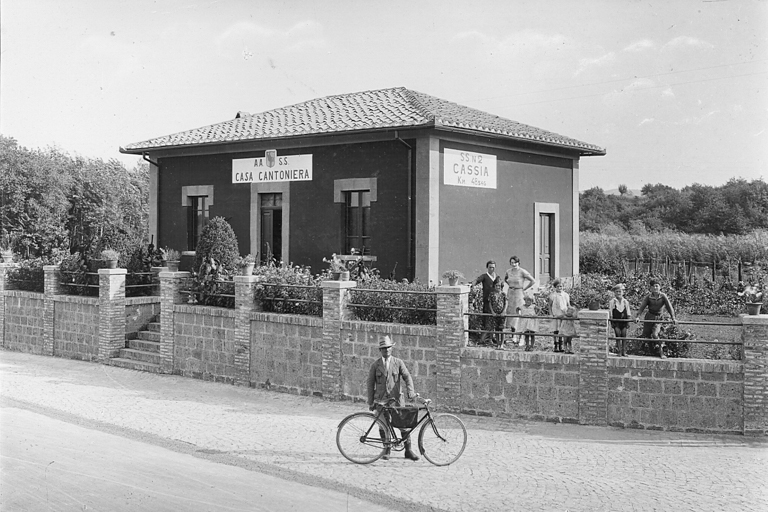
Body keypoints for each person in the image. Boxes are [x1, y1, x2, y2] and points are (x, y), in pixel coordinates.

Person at [367, 335, 419, 461]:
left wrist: (410, 393)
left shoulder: (398, 363)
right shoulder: (375, 365)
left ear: (392, 348)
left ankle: (408, 450)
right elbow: (370, 383)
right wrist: (371, 402)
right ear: (380, 350)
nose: (387, 350)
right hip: (381, 400)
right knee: (382, 425)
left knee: (403, 425)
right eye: (384, 348)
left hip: (396, 400)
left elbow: (407, 377)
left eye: (389, 347)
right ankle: (386, 449)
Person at [635, 279, 677, 358]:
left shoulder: (663, 296)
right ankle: (651, 351)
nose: (655, 288)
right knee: (646, 335)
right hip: (649, 317)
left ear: (660, 287)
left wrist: (673, 318)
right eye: (653, 286)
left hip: (658, 318)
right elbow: (642, 307)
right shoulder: (648, 297)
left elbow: (669, 307)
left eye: (657, 286)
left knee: (655, 334)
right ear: (650, 288)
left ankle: (661, 352)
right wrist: (637, 316)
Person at [504, 256, 535, 333]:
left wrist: (524, 288)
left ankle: (518, 332)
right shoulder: (508, 271)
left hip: (519, 293)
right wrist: (511, 286)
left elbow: (533, 281)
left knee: (518, 311)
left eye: (515, 263)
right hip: (511, 292)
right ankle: (512, 331)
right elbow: (506, 279)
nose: (513, 264)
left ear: (518, 263)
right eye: (512, 263)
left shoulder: (522, 271)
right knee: (510, 311)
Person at [474, 261, 502, 346]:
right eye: (490, 267)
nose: (492, 269)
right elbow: (477, 280)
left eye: (493, 267)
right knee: (487, 321)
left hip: (496, 303)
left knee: (495, 321)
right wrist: (472, 285)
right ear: (487, 267)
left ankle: (492, 337)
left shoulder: (497, 277)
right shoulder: (484, 276)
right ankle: (484, 339)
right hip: (487, 302)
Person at [547, 279, 571, 353]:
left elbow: (568, 305)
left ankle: (561, 345)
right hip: (556, 314)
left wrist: (569, 312)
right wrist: (551, 314)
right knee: (556, 330)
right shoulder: (553, 295)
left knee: (562, 330)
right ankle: (556, 345)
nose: (560, 288)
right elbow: (550, 305)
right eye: (558, 286)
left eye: (561, 286)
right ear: (555, 287)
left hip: (563, 315)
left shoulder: (566, 295)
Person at [609, 284, 631, 357]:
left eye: (620, 291)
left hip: (624, 321)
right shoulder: (612, 302)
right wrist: (612, 321)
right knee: (618, 335)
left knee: (624, 336)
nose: (618, 293)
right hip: (616, 321)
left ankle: (624, 351)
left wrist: (628, 321)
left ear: (623, 292)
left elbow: (628, 312)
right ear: (614, 293)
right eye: (617, 291)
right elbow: (611, 312)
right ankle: (619, 351)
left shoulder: (625, 302)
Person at [489, 278, 508, 349]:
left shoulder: (503, 294)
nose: (498, 287)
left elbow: (506, 303)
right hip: (495, 314)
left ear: (501, 286)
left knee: (502, 329)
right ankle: (498, 343)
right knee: (496, 329)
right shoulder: (492, 294)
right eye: (496, 285)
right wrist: (492, 312)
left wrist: (503, 311)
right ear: (494, 286)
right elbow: (490, 303)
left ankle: (502, 344)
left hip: (502, 314)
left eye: (499, 286)